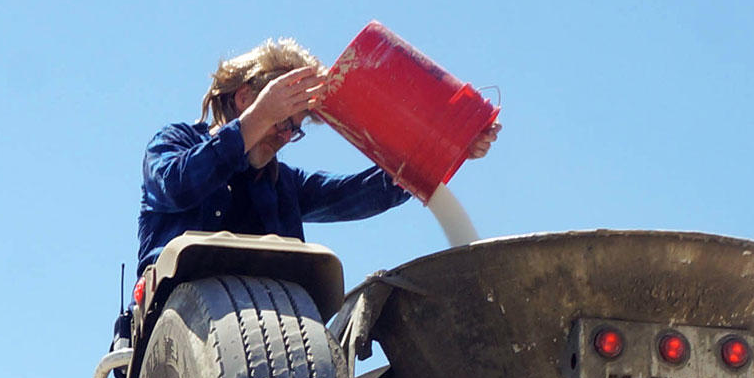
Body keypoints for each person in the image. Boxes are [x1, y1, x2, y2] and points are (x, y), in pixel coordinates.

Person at [134, 37, 497, 276]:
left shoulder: (285, 185)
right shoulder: (172, 143)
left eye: (295, 127)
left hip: (270, 330)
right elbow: (177, 186)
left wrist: (446, 148)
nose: (284, 136)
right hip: (180, 318)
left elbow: (358, 194)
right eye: (280, 119)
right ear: (245, 99)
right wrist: (259, 118)